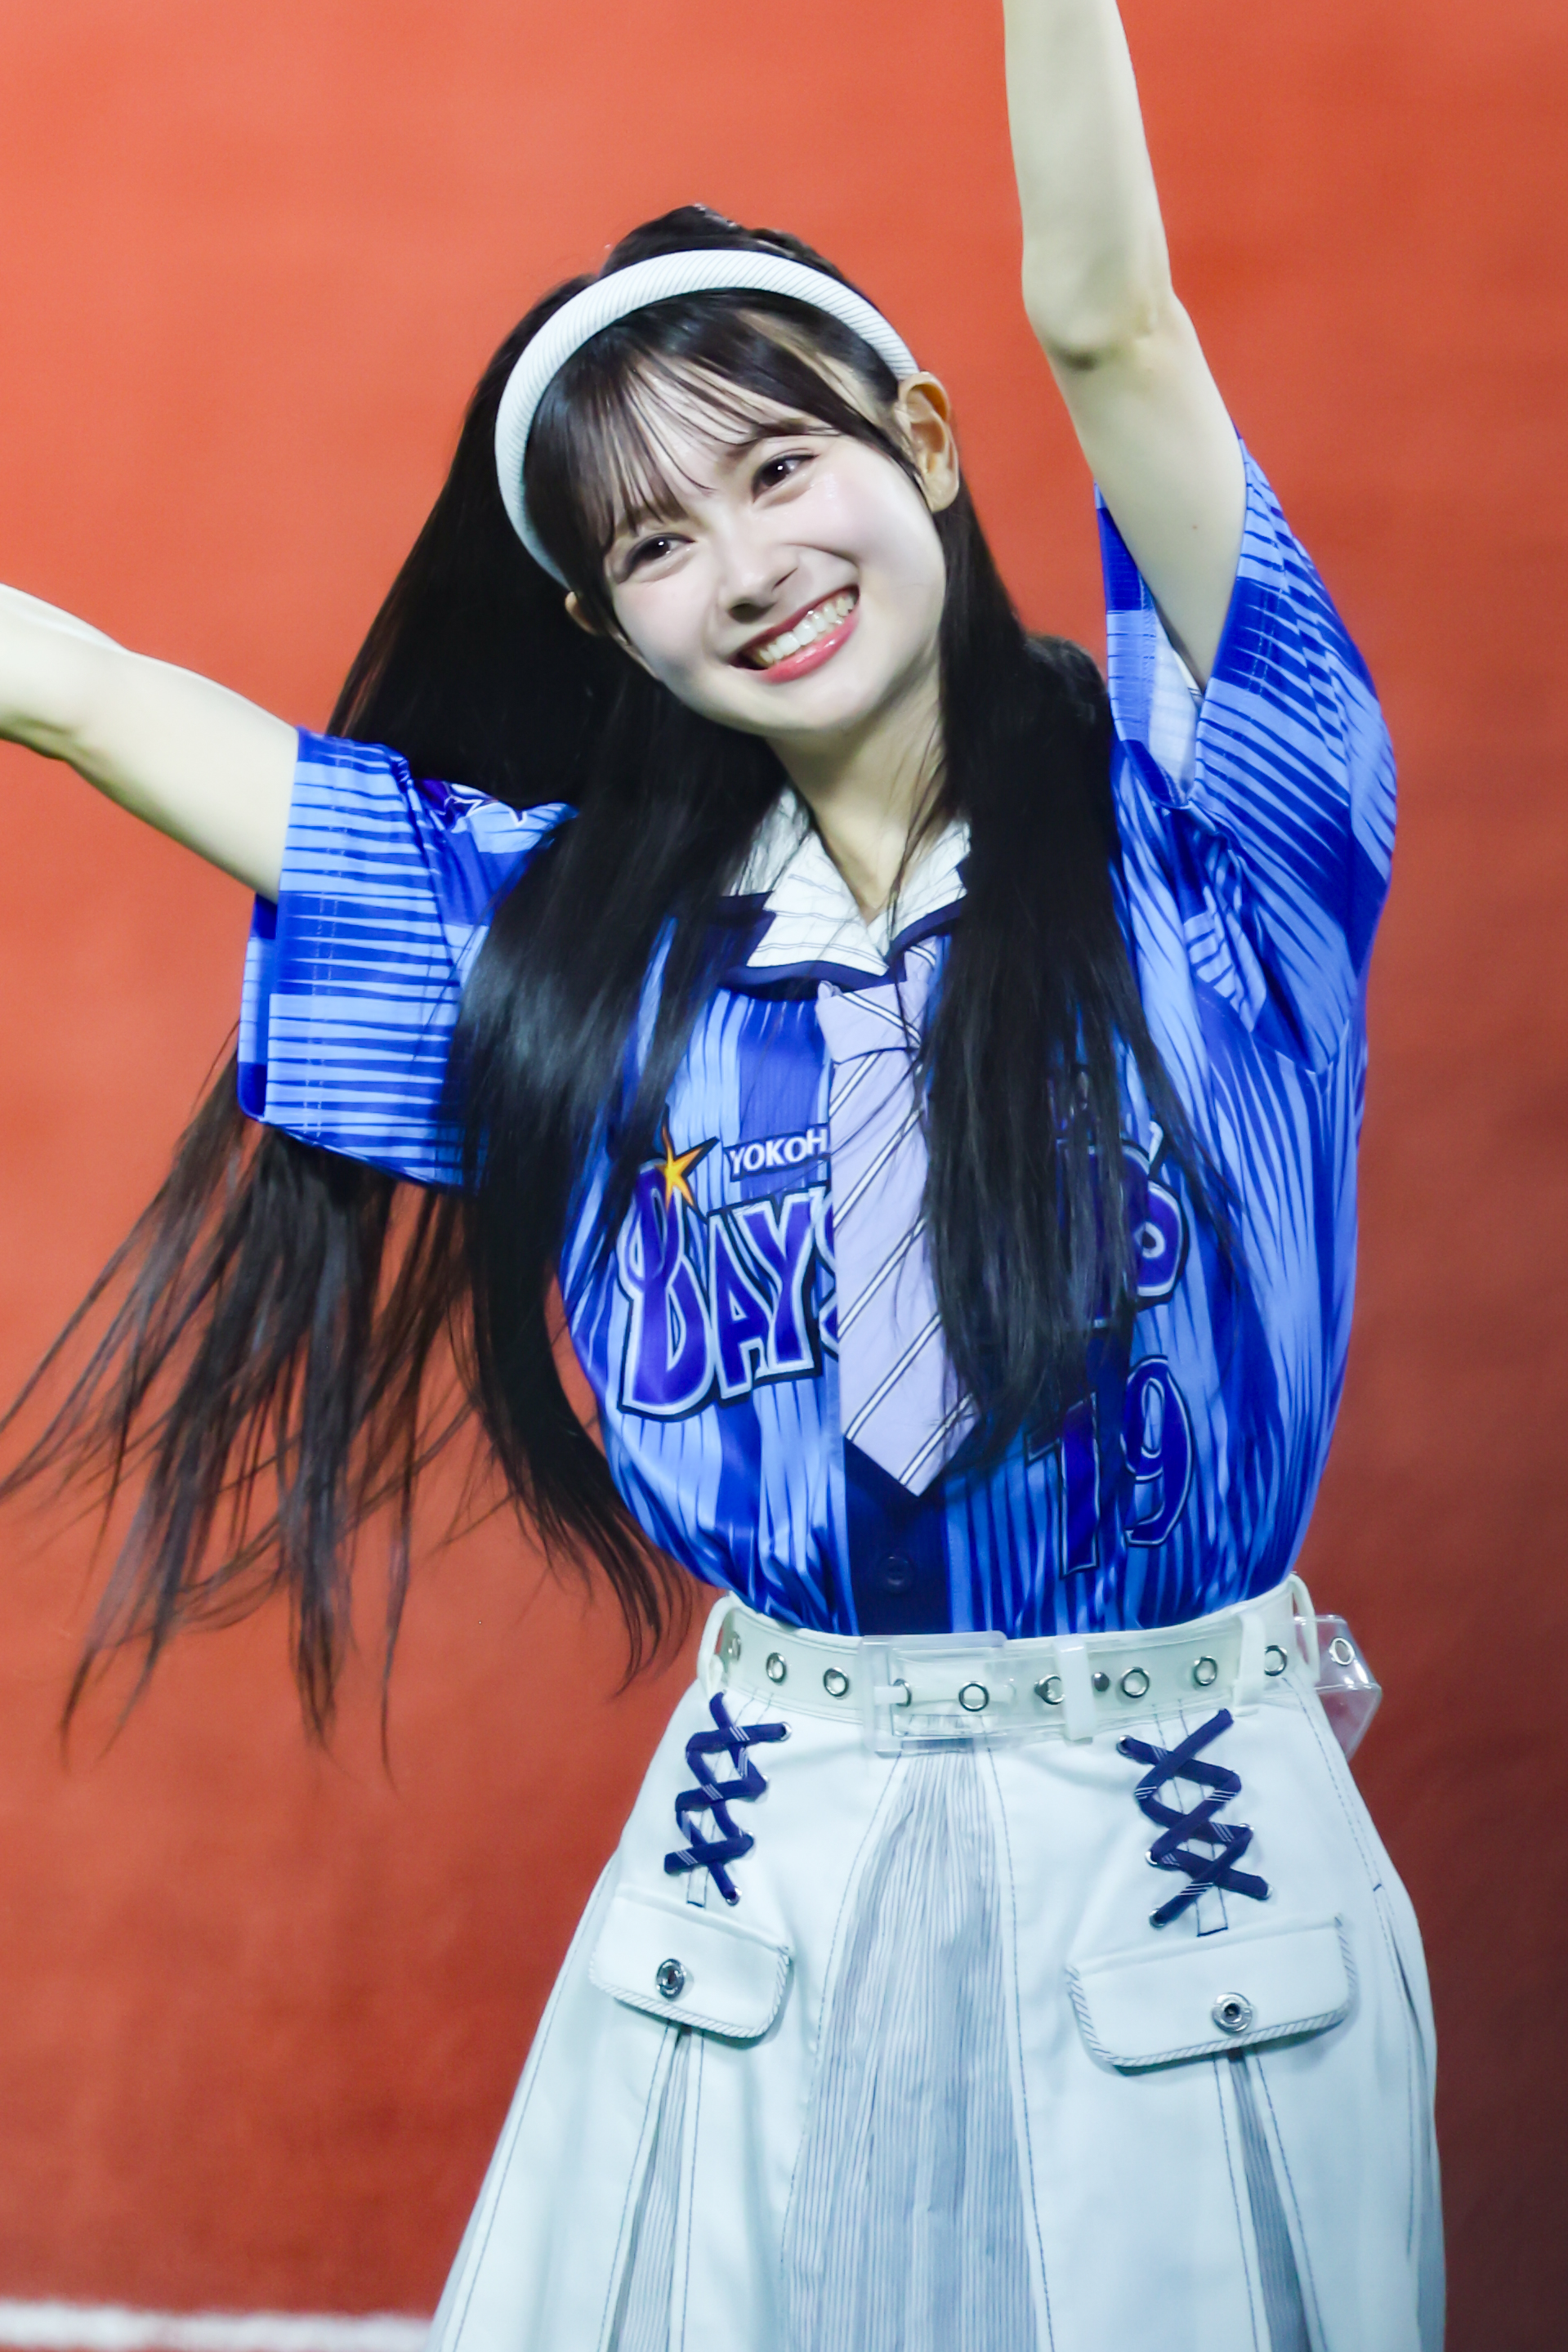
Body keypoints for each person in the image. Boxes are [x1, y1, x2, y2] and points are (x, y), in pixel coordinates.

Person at [0, 1, 1440, 2345]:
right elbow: (66, 688)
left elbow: (1110, 312)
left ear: (932, 444)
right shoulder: (564, 956)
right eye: (657, 543)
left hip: (1195, 1900)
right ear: (602, 628)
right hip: (744, 1899)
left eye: (784, 468)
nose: (750, 563)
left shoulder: (1233, 846)